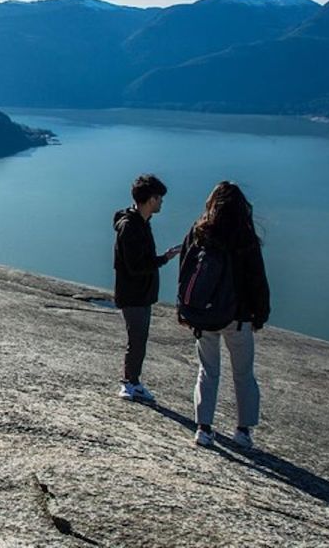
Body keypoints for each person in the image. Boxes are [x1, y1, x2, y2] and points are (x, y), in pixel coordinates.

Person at [181, 181, 270, 449]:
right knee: (243, 374)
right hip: (238, 317)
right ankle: (243, 431)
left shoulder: (200, 231)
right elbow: (257, 279)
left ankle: (203, 429)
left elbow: (185, 272)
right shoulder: (244, 237)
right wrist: (260, 315)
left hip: (205, 317)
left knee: (207, 371)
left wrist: (184, 308)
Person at [113, 174, 179, 403]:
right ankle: (129, 383)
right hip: (133, 295)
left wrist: (163, 258)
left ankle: (134, 381)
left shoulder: (140, 223)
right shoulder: (130, 227)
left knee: (140, 339)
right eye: (159, 198)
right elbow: (134, 266)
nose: (161, 203)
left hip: (141, 294)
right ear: (151, 199)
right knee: (137, 339)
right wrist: (163, 259)